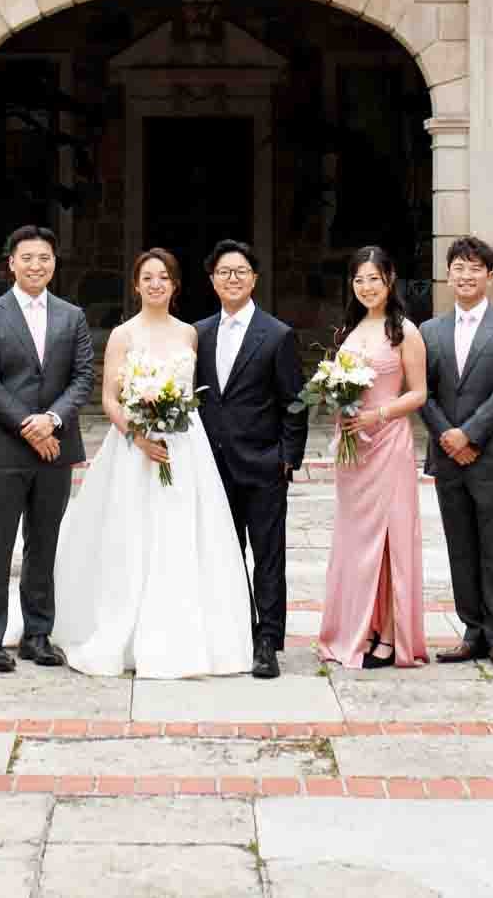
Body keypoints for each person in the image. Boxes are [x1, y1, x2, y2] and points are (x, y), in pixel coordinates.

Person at [51, 249, 255, 678]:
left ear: (175, 285)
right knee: (131, 536)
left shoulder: (190, 335)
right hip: (133, 449)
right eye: (148, 277)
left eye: (164, 277)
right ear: (136, 284)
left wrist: (168, 422)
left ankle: (183, 633)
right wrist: (138, 435)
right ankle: (124, 628)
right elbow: (108, 398)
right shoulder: (124, 334)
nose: (156, 284)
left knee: (184, 534)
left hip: (184, 446)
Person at [0, 224, 96, 672]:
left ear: (53, 264)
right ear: (12, 264)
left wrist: (52, 421)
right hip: (6, 447)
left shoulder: (71, 315)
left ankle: (38, 634)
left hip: (56, 447)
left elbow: (83, 377)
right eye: (27, 258)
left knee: (44, 544)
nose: (35, 266)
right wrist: (29, 425)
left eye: (44, 258)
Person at [193, 238, 308, 678]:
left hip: (263, 464)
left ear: (255, 279)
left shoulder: (277, 334)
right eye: (224, 272)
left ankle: (268, 640)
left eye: (241, 271)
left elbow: (294, 402)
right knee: (223, 551)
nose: (233, 278)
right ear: (213, 280)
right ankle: (236, 630)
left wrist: (287, 458)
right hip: (212, 466)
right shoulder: (198, 333)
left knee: (268, 555)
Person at [315, 245, 430, 670]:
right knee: (355, 539)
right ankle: (355, 627)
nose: (366, 287)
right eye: (359, 279)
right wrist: (339, 406)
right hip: (354, 451)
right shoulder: (348, 329)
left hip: (388, 443)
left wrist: (375, 415)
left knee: (389, 539)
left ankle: (389, 632)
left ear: (390, 280)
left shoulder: (406, 332)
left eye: (374, 279)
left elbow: (418, 394)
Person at [418, 235, 493, 670]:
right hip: (447, 455)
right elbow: (422, 390)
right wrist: (448, 435)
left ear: (489, 275)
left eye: (474, 268)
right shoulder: (430, 331)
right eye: (458, 268)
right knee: (460, 545)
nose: (466, 276)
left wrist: (471, 435)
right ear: (449, 275)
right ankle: (472, 631)